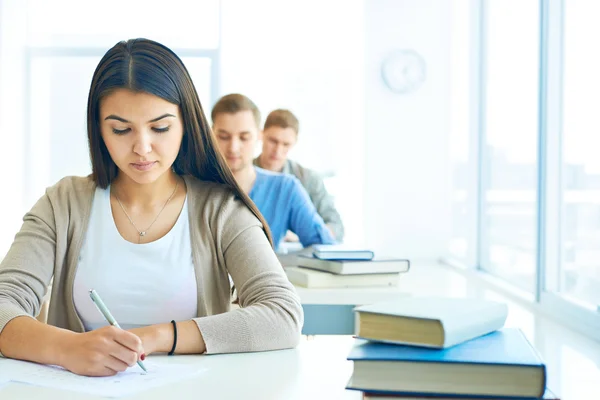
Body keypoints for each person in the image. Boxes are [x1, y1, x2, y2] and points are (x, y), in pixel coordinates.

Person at [0, 39, 303, 377]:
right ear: (98, 130)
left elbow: (283, 315)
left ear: (186, 124)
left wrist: (156, 336)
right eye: (120, 129)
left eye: (160, 127)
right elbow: (3, 303)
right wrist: (68, 347)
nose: (142, 147)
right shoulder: (63, 203)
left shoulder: (221, 210)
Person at [211, 94, 336, 251]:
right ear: (211, 135)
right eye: (224, 137)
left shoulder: (286, 188)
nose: (233, 147)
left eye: (244, 137)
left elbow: (325, 248)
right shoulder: (192, 187)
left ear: (258, 136)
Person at [254, 109, 345, 241]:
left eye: (286, 144)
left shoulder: (309, 179)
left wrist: (300, 236)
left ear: (295, 142)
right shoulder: (244, 174)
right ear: (261, 135)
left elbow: (337, 227)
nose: (278, 150)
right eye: (273, 141)